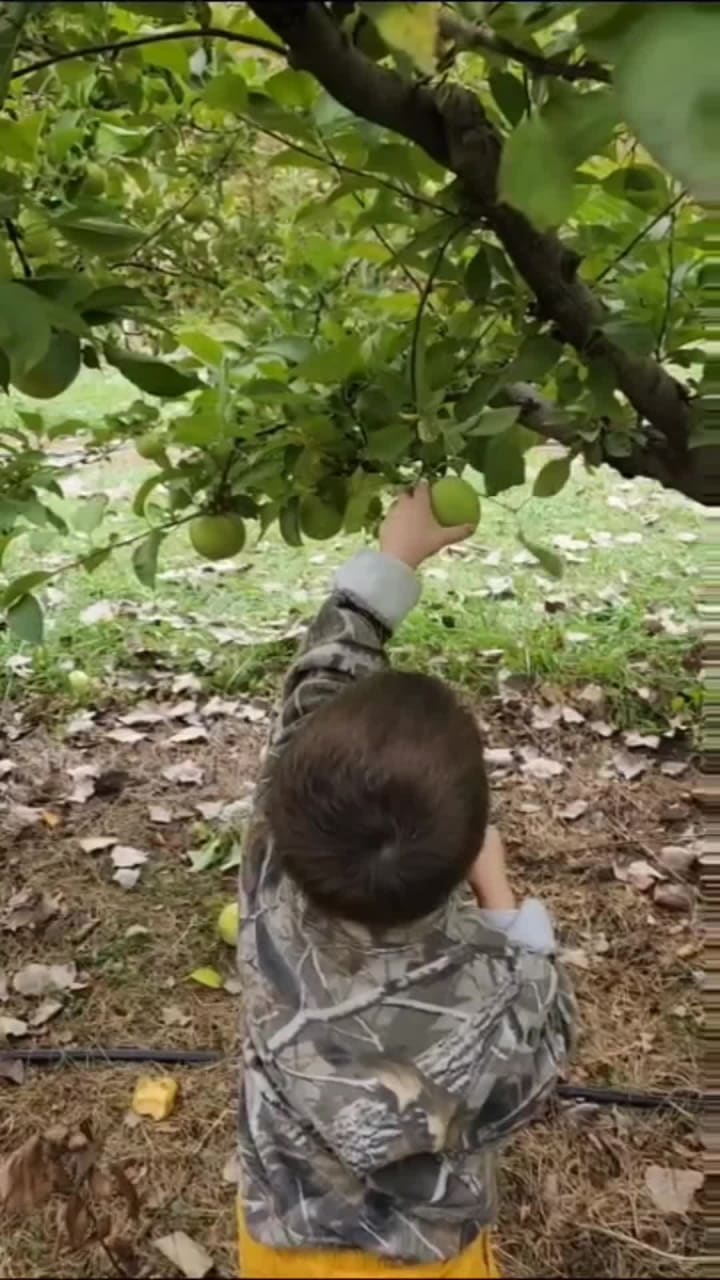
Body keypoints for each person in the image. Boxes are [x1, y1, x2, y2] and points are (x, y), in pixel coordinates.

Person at [237, 484, 576, 1279]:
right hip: (426, 1258)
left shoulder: (271, 876)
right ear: (465, 852)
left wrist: (391, 563)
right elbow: (546, 1043)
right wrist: (502, 905)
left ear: (283, 806)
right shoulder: (496, 1000)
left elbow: (313, 693)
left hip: (282, 1233)